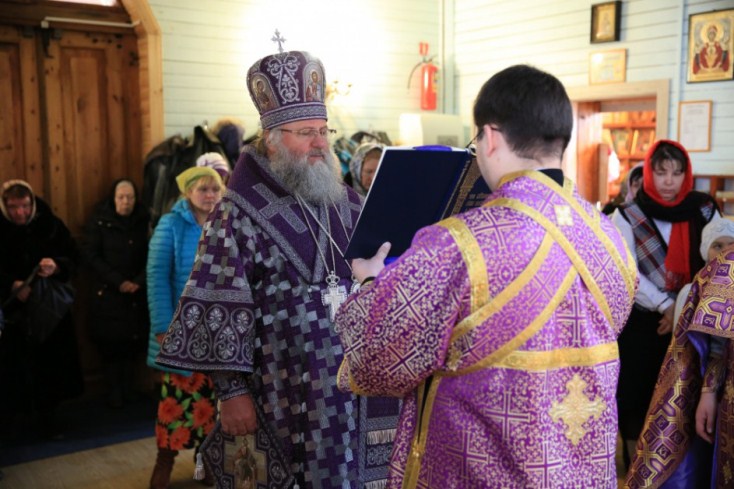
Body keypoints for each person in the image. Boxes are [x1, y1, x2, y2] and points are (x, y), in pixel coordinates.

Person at [334, 64, 638, 488]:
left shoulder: (460, 244)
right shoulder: (610, 237)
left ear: (490, 137)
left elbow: (381, 354)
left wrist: (370, 281)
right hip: (580, 473)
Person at [156, 47, 399, 488]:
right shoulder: (236, 213)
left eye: (323, 130)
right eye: (305, 132)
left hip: (355, 390)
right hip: (284, 392)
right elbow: (218, 307)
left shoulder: (348, 202)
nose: (320, 143)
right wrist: (232, 393)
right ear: (271, 139)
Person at [611, 139, 719, 465]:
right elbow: (628, 270)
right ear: (648, 173)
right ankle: (637, 467)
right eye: (660, 173)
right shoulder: (627, 214)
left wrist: (682, 306)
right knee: (638, 393)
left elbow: (718, 258)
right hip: (646, 323)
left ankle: (680, 471)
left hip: (694, 321)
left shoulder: (704, 208)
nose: (669, 181)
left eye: (676, 172)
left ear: (687, 174)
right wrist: (666, 305)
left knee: (685, 394)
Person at [625, 216, 734, 488]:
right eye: (717, 245)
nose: (724, 251)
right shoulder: (721, 273)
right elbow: (714, 346)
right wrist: (708, 392)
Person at [146, 166, 223, 489]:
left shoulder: (225, 221)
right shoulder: (171, 224)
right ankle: (164, 460)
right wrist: (163, 327)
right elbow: (156, 276)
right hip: (181, 330)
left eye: (215, 189)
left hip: (216, 330)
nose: (210, 195)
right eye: (203, 189)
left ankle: (205, 462)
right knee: (176, 401)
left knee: (212, 401)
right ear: (187, 192)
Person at [0, 180, 83, 440]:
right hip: (11, 313)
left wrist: (56, 267)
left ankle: (48, 418)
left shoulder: (49, 225)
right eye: (13, 207)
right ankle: (12, 423)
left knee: (50, 367)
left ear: (32, 203)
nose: (20, 213)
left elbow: (74, 257)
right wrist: (11, 284)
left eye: (25, 206)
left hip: (48, 311)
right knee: (12, 370)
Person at [83, 179, 150, 408]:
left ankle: (129, 389)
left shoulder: (144, 219)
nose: (126, 202)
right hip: (108, 293)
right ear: (113, 199)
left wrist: (138, 281)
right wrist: (118, 282)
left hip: (137, 292)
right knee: (111, 345)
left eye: (130, 197)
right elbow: (91, 256)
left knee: (133, 344)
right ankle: (114, 392)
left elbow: (153, 254)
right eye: (121, 197)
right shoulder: (100, 220)